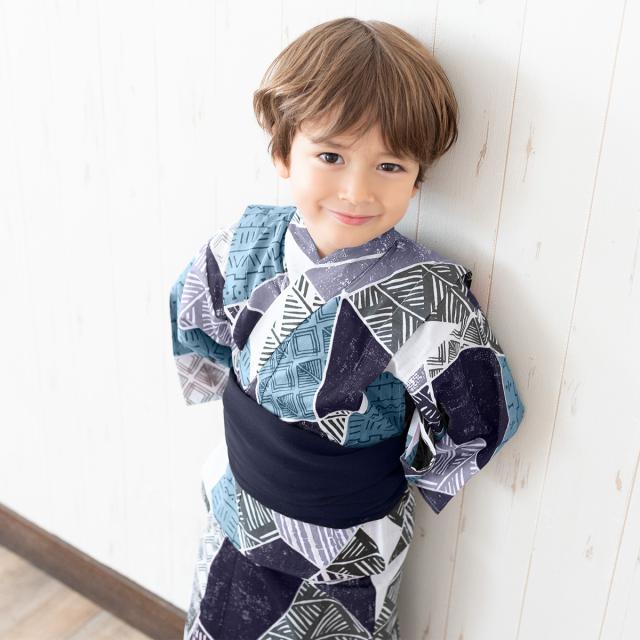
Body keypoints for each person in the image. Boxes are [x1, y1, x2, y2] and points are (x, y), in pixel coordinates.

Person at [169, 17, 525, 640]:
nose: (357, 191)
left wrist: (390, 471)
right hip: (235, 506)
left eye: (389, 165)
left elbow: (480, 415)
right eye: (331, 156)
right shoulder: (243, 245)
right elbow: (195, 317)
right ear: (284, 152)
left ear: (418, 175)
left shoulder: (425, 297)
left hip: (345, 545)